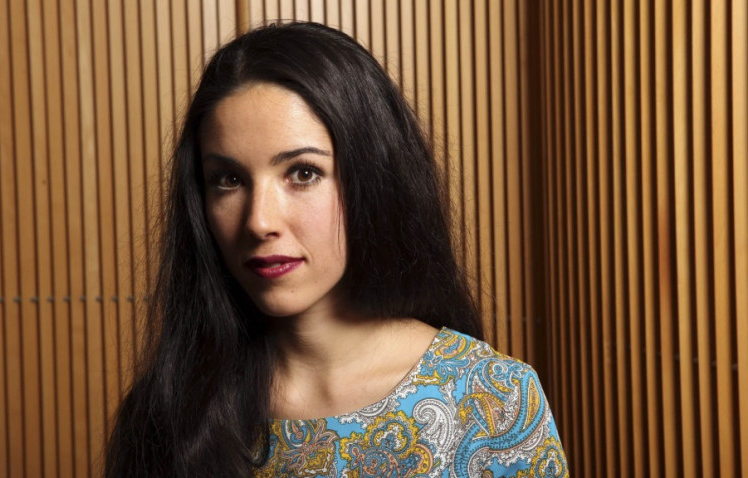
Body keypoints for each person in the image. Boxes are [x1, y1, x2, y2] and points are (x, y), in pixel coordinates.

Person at [105, 22, 567, 477]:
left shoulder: (493, 401)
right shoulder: (167, 415)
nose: (259, 221)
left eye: (303, 173)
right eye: (229, 180)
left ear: (373, 178)